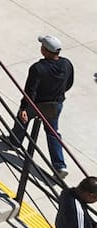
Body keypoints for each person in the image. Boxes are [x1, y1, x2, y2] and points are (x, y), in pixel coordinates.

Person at [11, 34, 74, 179]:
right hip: (55, 105)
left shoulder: (38, 68)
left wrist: (24, 108)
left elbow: (30, 91)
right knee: (53, 133)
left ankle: (15, 141)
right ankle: (60, 166)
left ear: (45, 50)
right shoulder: (67, 64)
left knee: (22, 120)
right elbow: (69, 83)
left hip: (37, 104)